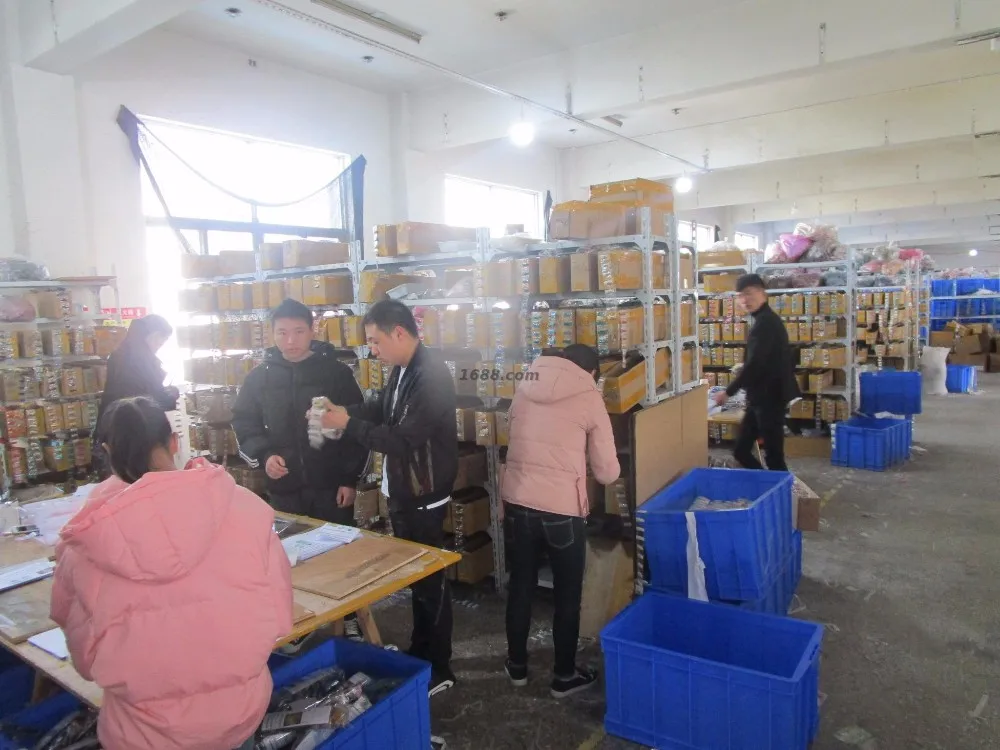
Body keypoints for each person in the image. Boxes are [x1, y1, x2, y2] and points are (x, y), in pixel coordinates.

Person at [50, 397, 293, 750]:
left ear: (108, 451)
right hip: (238, 715)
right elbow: (280, 617)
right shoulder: (245, 509)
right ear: (174, 441)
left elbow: (85, 660)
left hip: (143, 733)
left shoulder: (85, 542)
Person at [316, 300, 458, 695]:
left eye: (376, 341)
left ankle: (440, 666)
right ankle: (421, 652)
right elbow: (381, 407)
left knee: (431, 583)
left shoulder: (431, 376)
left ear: (399, 332)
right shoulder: (403, 369)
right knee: (417, 580)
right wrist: (345, 411)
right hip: (404, 490)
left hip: (424, 493)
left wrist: (348, 424)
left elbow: (402, 440)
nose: (373, 350)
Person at [500, 344, 620, 698]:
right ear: (592, 373)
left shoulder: (526, 384)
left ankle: (517, 667)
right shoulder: (588, 395)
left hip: (518, 502)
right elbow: (607, 472)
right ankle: (564, 676)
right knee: (567, 595)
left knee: (520, 586)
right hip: (562, 510)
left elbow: (514, 437)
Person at [232, 299, 370, 525]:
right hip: (283, 488)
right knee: (291, 545)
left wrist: (349, 479)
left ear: (311, 330)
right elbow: (244, 422)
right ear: (272, 333)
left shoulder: (336, 373)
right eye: (282, 333)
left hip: (332, 489)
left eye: (298, 331)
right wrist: (265, 456)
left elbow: (356, 427)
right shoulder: (259, 378)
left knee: (337, 546)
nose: (290, 340)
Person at [713, 273, 801, 471]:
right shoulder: (763, 321)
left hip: (770, 399)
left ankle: (781, 488)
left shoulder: (766, 323)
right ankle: (765, 484)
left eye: (749, 293)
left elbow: (755, 364)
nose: (745, 300)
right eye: (740, 296)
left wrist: (728, 391)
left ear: (763, 293)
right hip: (759, 398)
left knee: (774, 457)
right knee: (741, 451)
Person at [95, 314, 179, 478]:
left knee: (123, 476)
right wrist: (171, 394)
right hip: (136, 428)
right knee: (142, 476)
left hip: (116, 425)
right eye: (159, 342)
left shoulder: (121, 355)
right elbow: (149, 399)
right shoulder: (140, 360)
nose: (158, 347)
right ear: (152, 335)